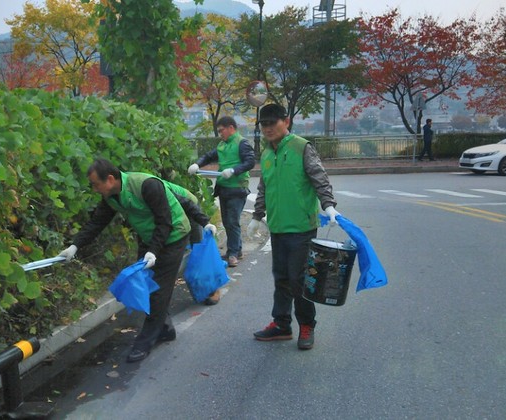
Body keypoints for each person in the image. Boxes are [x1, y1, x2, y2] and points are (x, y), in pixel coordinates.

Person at [57, 158, 217, 363]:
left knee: (159, 292)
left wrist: (154, 251)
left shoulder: (146, 185)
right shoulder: (111, 197)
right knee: (146, 286)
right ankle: (165, 329)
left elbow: (165, 220)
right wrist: (75, 246)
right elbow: (96, 223)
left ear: (110, 179)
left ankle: (144, 342)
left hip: (173, 235)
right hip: (149, 238)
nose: (95, 189)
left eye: (96, 184)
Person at [246, 103, 342, 351]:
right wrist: (257, 215)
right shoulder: (267, 153)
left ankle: (307, 325)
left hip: (301, 228)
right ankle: (281, 324)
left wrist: (328, 205)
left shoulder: (301, 147)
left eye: (272, 122)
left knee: (299, 281)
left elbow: (319, 178)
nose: (268, 128)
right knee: (281, 279)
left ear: (285, 121)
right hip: (277, 228)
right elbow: (264, 187)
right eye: (264, 124)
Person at [188, 116, 255, 268]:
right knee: (227, 222)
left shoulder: (242, 143)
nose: (220, 134)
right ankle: (236, 251)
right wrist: (197, 164)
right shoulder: (222, 145)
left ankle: (232, 254)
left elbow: (250, 162)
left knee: (232, 221)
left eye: (221, 130)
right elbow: (209, 156)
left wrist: (233, 170)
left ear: (231, 128)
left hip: (237, 188)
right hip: (224, 188)